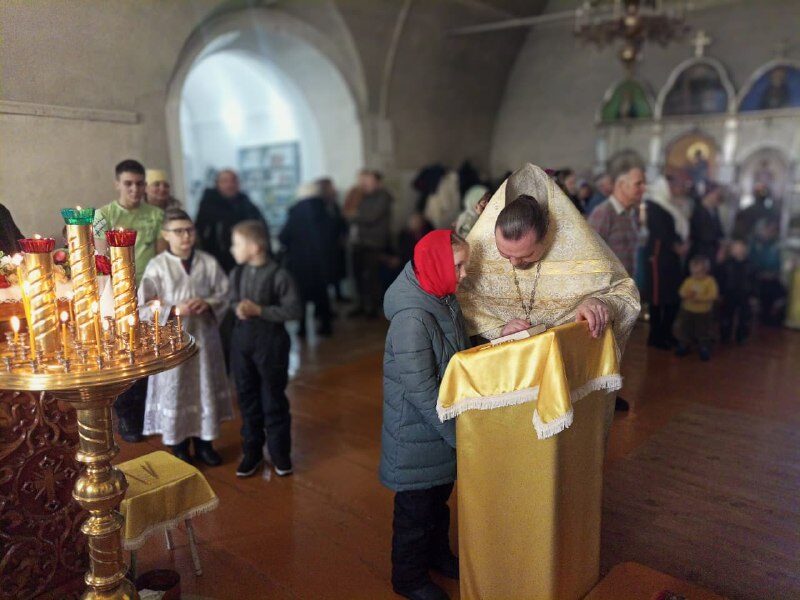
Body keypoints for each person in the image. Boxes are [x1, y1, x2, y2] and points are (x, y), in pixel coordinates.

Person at [459, 163, 640, 426]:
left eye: (526, 255)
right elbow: (463, 302)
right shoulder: (481, 249)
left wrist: (599, 302)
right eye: (504, 253)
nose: (514, 263)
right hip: (504, 382)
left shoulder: (577, 245)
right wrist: (498, 329)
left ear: (547, 237)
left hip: (565, 377)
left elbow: (626, 292)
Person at [381, 230, 471, 600]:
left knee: (437, 503)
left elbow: (455, 354)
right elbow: (422, 391)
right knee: (414, 515)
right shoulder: (413, 318)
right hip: (417, 433)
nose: (465, 274)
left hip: (436, 429)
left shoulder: (440, 296)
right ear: (437, 265)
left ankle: (437, 556)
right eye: (459, 266)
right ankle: (408, 578)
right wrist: (459, 437)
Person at [138, 208, 233, 464]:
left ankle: (205, 444)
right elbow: (142, 307)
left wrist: (208, 303)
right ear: (166, 235)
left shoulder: (207, 262)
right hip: (173, 343)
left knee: (203, 388)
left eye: (189, 230)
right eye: (178, 231)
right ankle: (178, 446)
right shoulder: (157, 266)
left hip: (203, 338)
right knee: (176, 390)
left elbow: (225, 293)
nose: (186, 236)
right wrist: (172, 309)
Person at [93, 159, 165, 443]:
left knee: (147, 354)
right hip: (117, 294)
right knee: (123, 355)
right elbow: (102, 260)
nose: (134, 189)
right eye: (128, 183)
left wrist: (158, 291)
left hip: (149, 295)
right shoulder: (103, 215)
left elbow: (161, 257)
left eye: (139, 183)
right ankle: (126, 416)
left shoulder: (156, 215)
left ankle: (148, 413)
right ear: (117, 184)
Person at [228, 220, 303, 478]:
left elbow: (294, 310)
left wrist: (260, 310)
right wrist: (238, 308)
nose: (232, 249)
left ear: (255, 247)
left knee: (273, 398)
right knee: (247, 398)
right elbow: (231, 301)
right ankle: (252, 451)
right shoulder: (237, 273)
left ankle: (280, 452)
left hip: (271, 345)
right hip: (242, 344)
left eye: (237, 244)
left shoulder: (279, 275)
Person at [279, 182, 335, 337]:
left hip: (300, 262)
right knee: (322, 294)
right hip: (322, 261)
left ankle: (302, 328)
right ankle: (326, 326)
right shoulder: (325, 210)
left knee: (301, 296)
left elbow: (283, 237)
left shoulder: (295, 213)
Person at [643, 177, 688, 349]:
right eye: (674, 185)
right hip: (658, 257)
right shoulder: (654, 205)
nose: (678, 189)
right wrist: (676, 246)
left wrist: (682, 244)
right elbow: (661, 232)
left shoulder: (670, 205)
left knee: (673, 296)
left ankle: (667, 332)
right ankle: (655, 336)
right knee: (657, 298)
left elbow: (676, 229)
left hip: (672, 257)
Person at [195, 169, 266, 274]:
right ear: (217, 184)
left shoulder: (247, 205)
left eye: (233, 181)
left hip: (246, 262)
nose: (230, 185)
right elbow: (200, 234)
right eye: (225, 181)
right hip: (217, 262)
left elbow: (260, 230)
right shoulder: (208, 206)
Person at [588, 160, 647, 277]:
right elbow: (590, 255)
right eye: (638, 184)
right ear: (621, 185)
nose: (644, 188)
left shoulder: (633, 213)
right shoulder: (603, 213)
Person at [350, 170, 393, 318]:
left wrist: (354, 215)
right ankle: (361, 305)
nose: (364, 184)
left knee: (372, 277)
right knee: (358, 276)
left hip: (374, 243)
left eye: (368, 181)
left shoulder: (383, 196)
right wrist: (355, 215)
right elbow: (348, 212)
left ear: (377, 182)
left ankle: (374, 308)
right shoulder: (361, 196)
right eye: (363, 181)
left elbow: (371, 217)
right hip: (359, 242)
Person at [674, 255, 719, 361]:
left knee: (703, 330)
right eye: (694, 273)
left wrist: (699, 298)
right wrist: (686, 295)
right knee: (685, 328)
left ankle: (704, 347)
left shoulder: (710, 281)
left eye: (699, 273)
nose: (696, 275)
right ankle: (684, 344)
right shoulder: (689, 281)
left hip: (703, 312)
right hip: (687, 310)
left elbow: (713, 295)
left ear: (706, 270)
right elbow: (681, 292)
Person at [750, 218, 787, 326]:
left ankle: (771, 318)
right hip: (758, 278)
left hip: (772, 277)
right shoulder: (755, 244)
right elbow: (753, 262)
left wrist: (775, 272)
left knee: (782, 293)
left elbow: (777, 263)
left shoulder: (774, 245)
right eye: (768, 230)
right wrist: (762, 272)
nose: (770, 233)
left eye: (773, 231)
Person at [318, 177, 350, 302]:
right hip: (325, 245)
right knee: (327, 272)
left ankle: (338, 295)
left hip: (336, 243)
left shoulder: (334, 204)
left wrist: (344, 235)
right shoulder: (319, 206)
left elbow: (341, 221)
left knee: (337, 271)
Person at [716, 239, 753, 344]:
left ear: (745, 249)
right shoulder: (725, 264)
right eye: (735, 247)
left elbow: (754, 281)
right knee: (726, 316)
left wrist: (754, 295)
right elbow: (721, 279)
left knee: (744, 317)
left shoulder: (751, 265)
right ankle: (725, 336)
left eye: (740, 247)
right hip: (729, 293)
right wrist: (720, 293)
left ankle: (741, 337)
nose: (737, 250)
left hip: (744, 294)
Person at [689, 183, 725, 268]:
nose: (719, 197)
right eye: (717, 194)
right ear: (709, 194)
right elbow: (701, 234)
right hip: (700, 252)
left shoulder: (714, 210)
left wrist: (721, 247)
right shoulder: (697, 210)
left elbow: (719, 231)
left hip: (713, 252)